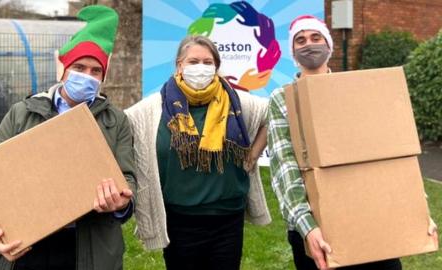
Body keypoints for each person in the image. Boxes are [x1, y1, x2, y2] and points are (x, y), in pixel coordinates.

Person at [0, 5, 136, 270]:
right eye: (79, 67)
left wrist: (121, 203)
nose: (87, 76)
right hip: (26, 244)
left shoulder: (115, 121)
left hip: (84, 244)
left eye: (96, 71)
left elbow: (128, 178)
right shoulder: (22, 113)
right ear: (63, 69)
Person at [267, 15, 438, 270]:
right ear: (292, 50)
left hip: (372, 215)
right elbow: (285, 167)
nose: (308, 45)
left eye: (316, 38)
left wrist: (417, 210)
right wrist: (307, 225)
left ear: (328, 45)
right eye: (300, 40)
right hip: (318, 230)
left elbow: (391, 153)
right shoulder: (282, 99)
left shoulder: (355, 90)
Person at [124, 35, 271, 270]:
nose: (200, 68)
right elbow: (119, 128)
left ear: (216, 67)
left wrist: (253, 155)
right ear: (179, 65)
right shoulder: (153, 109)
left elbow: (274, 114)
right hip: (179, 221)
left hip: (228, 219)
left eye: (207, 62)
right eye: (193, 62)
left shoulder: (236, 101)